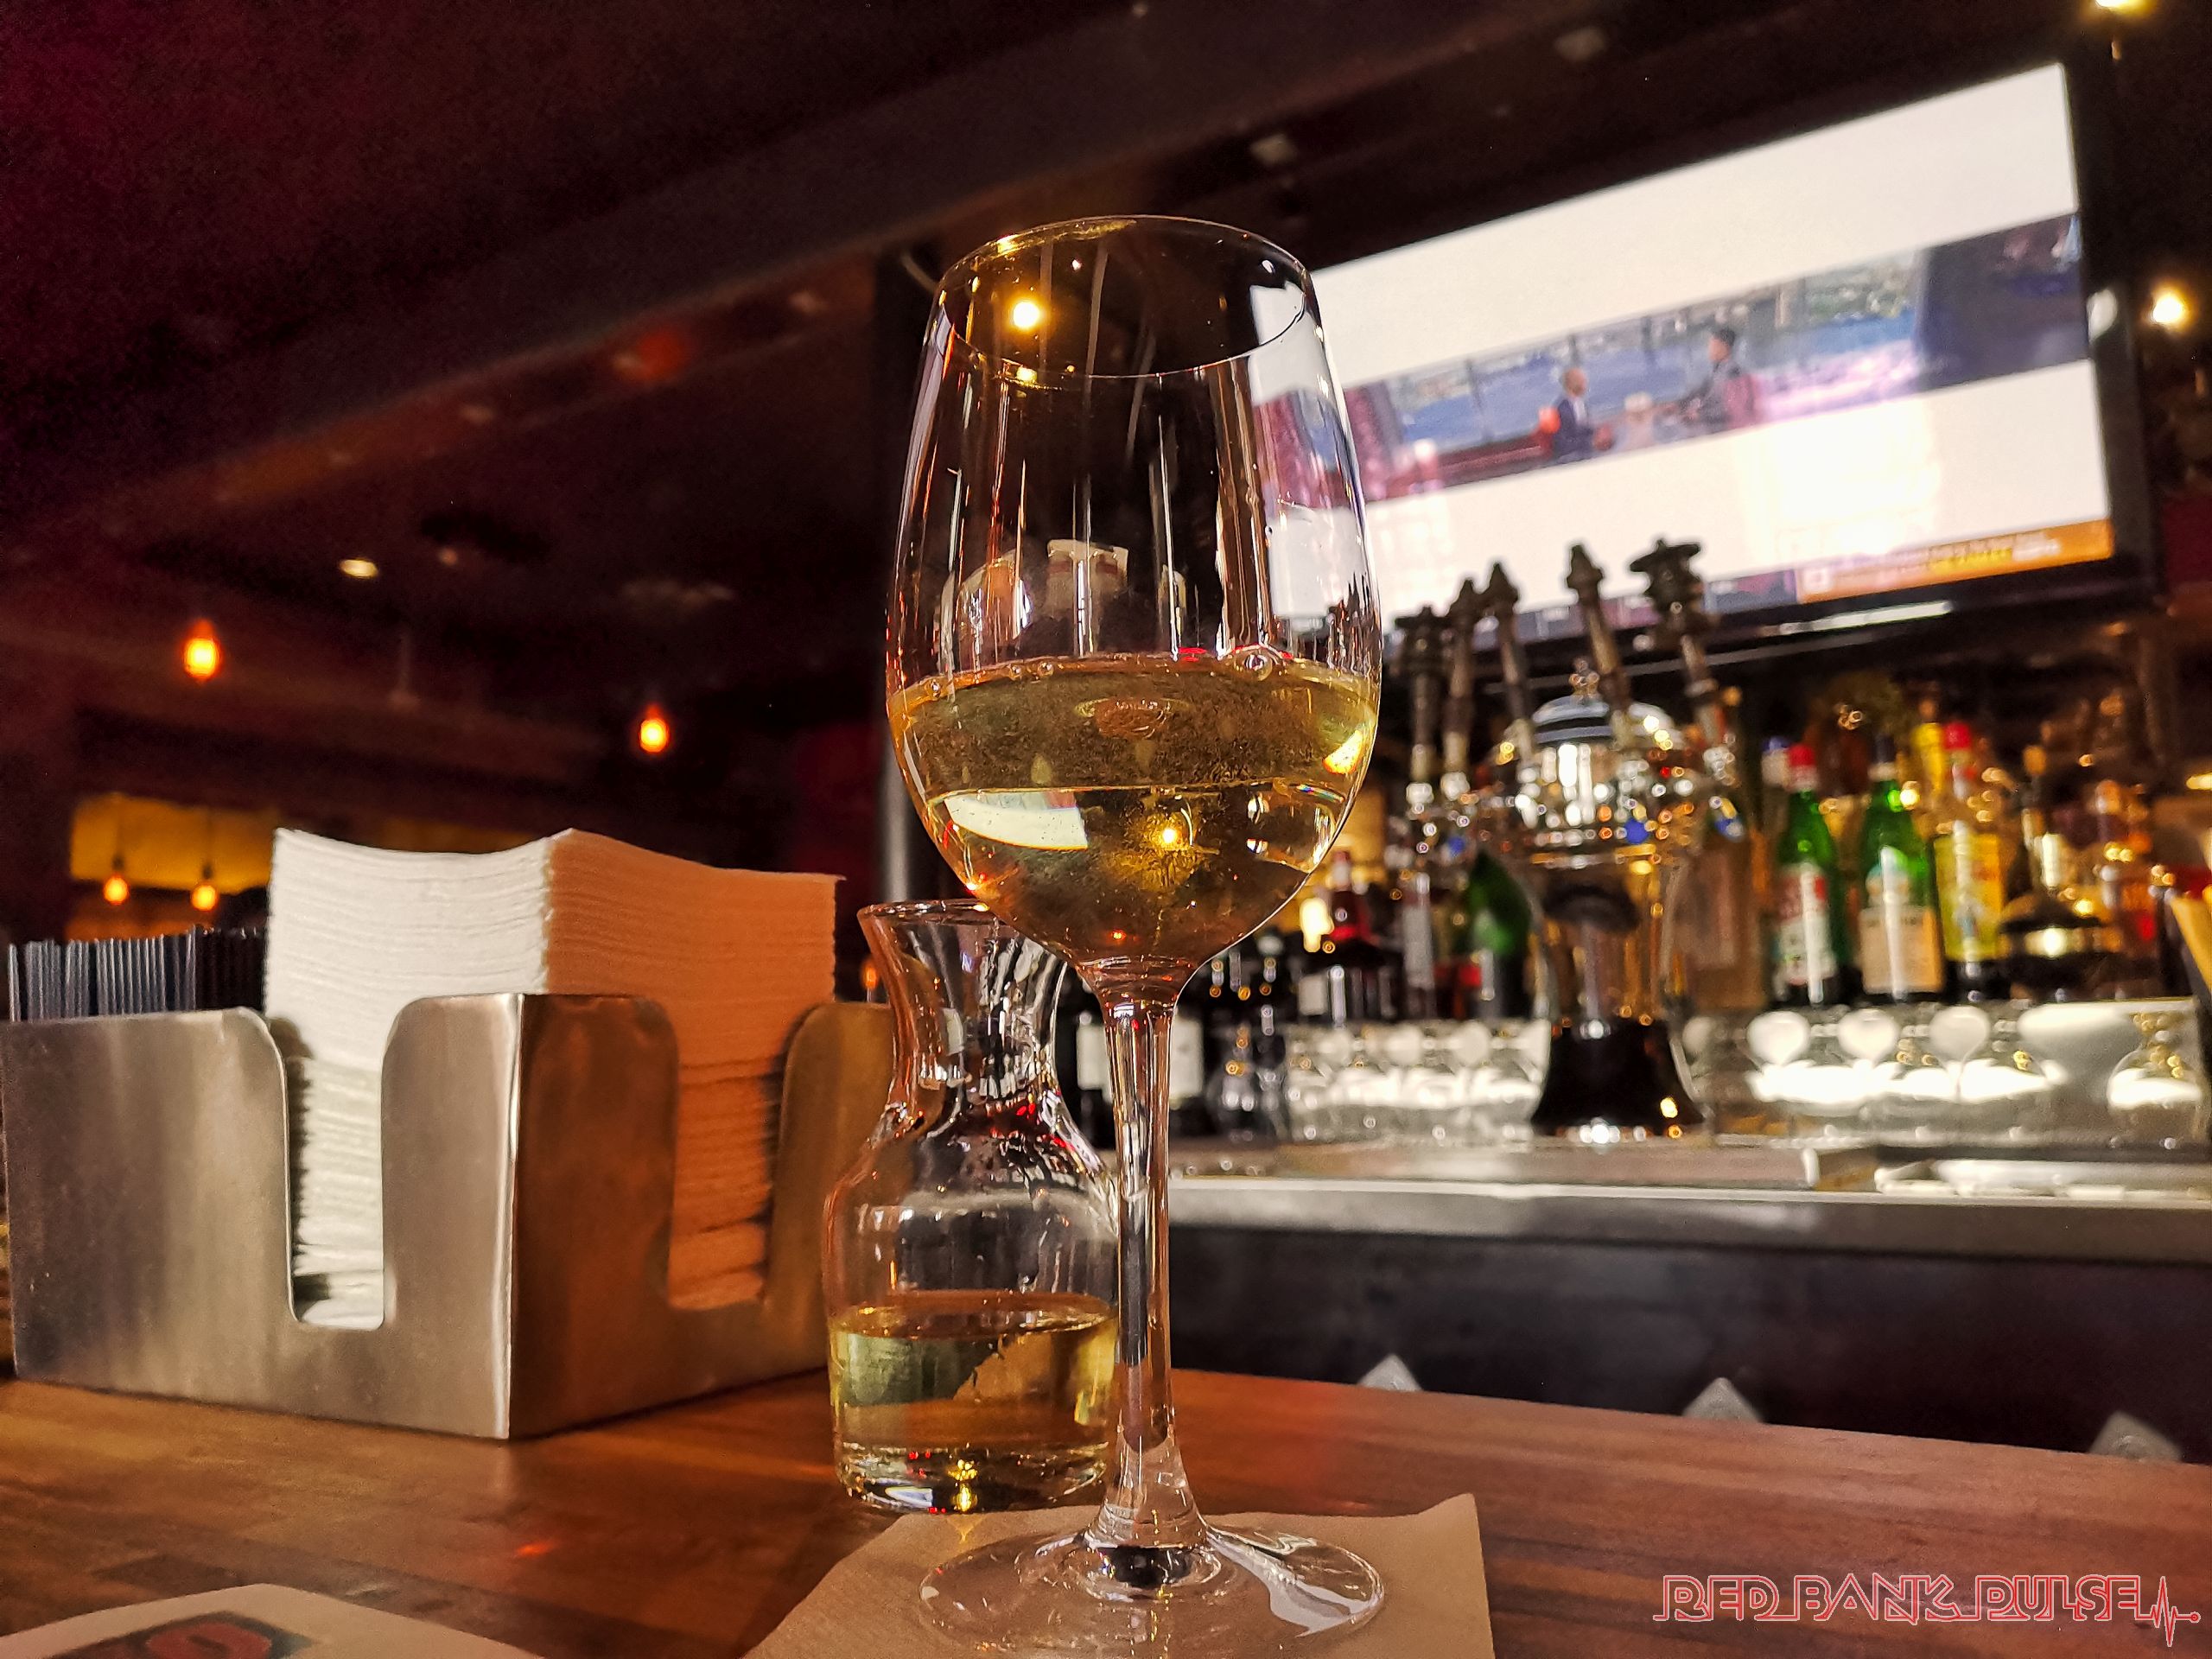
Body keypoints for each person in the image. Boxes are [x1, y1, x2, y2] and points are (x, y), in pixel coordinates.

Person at [1683, 326, 1763, 432]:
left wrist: (1700, 416)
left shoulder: (1732, 373)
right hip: (1710, 424)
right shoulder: (1717, 371)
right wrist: (1677, 404)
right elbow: (1699, 390)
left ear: (1723, 346)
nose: (1709, 350)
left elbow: (1729, 408)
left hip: (1721, 429)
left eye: (1712, 345)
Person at [1550, 365, 1598, 461]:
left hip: (1587, 453)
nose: (1585, 384)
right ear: (1572, 383)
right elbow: (1562, 444)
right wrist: (1590, 442)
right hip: (1571, 458)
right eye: (1582, 381)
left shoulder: (1582, 404)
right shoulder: (1562, 410)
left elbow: (1586, 430)